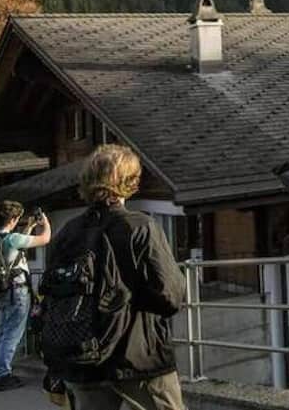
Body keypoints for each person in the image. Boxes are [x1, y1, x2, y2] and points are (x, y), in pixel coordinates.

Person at [53, 144, 186, 410]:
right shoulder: (140, 226)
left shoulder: (68, 232)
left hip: (83, 354)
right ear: (131, 181)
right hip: (138, 357)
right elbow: (170, 296)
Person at [0, 199, 51, 391]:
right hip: (17, 292)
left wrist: (30, 226)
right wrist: (45, 223)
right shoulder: (12, 239)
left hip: (3, 291)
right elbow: (45, 238)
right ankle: (2, 376)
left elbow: (17, 248)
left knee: (2, 332)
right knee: (12, 334)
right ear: (13, 219)